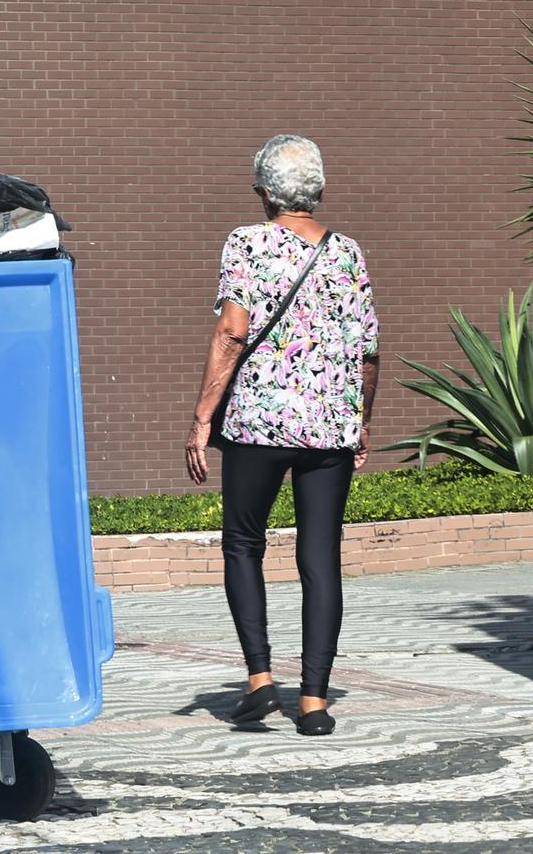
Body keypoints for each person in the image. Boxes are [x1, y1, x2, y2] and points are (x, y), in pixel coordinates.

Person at [184, 134, 380, 737]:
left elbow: (231, 333)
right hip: (329, 427)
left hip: (258, 424)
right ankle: (315, 703)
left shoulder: (247, 242)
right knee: (320, 558)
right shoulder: (347, 252)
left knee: (244, 543)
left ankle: (261, 680)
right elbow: (368, 351)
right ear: (317, 190)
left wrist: (201, 417)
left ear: (265, 193)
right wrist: (359, 421)